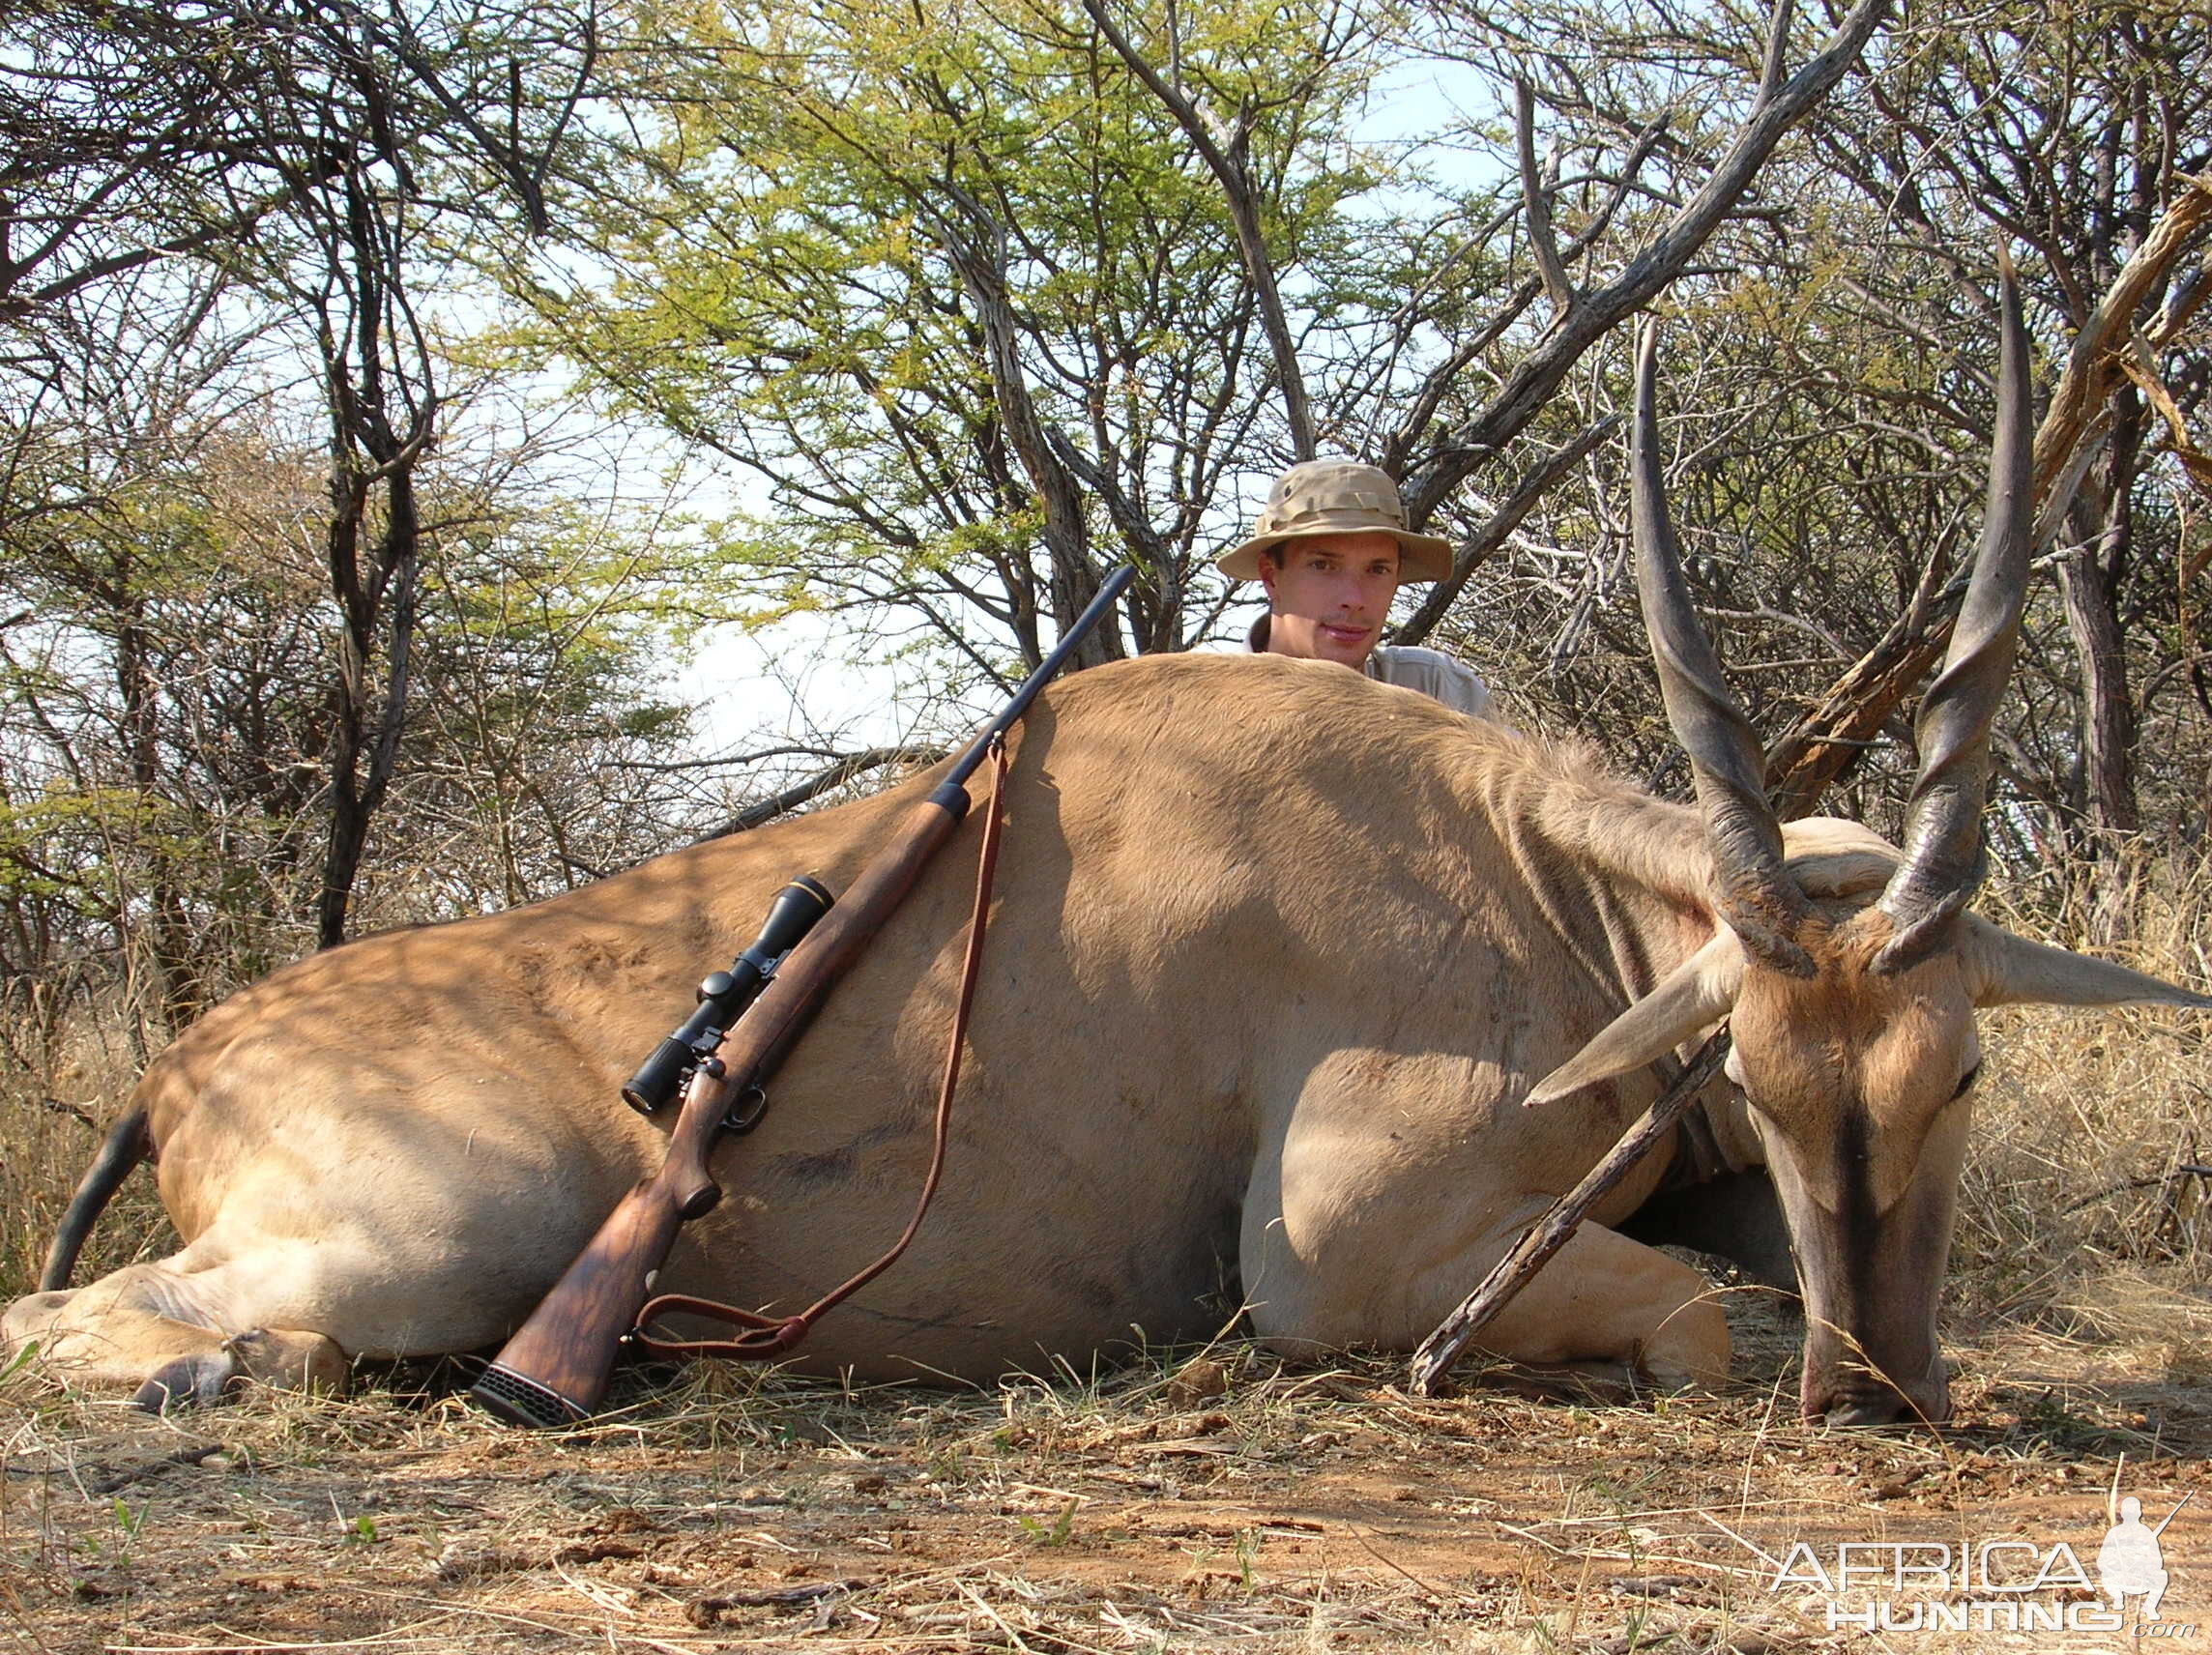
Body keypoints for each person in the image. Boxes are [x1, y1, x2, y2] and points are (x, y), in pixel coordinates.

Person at [1215, 457, 1499, 720]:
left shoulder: (1441, 692)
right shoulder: (1201, 701)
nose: (1354, 599)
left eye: (1378, 570)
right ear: (1270, 577)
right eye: (1322, 566)